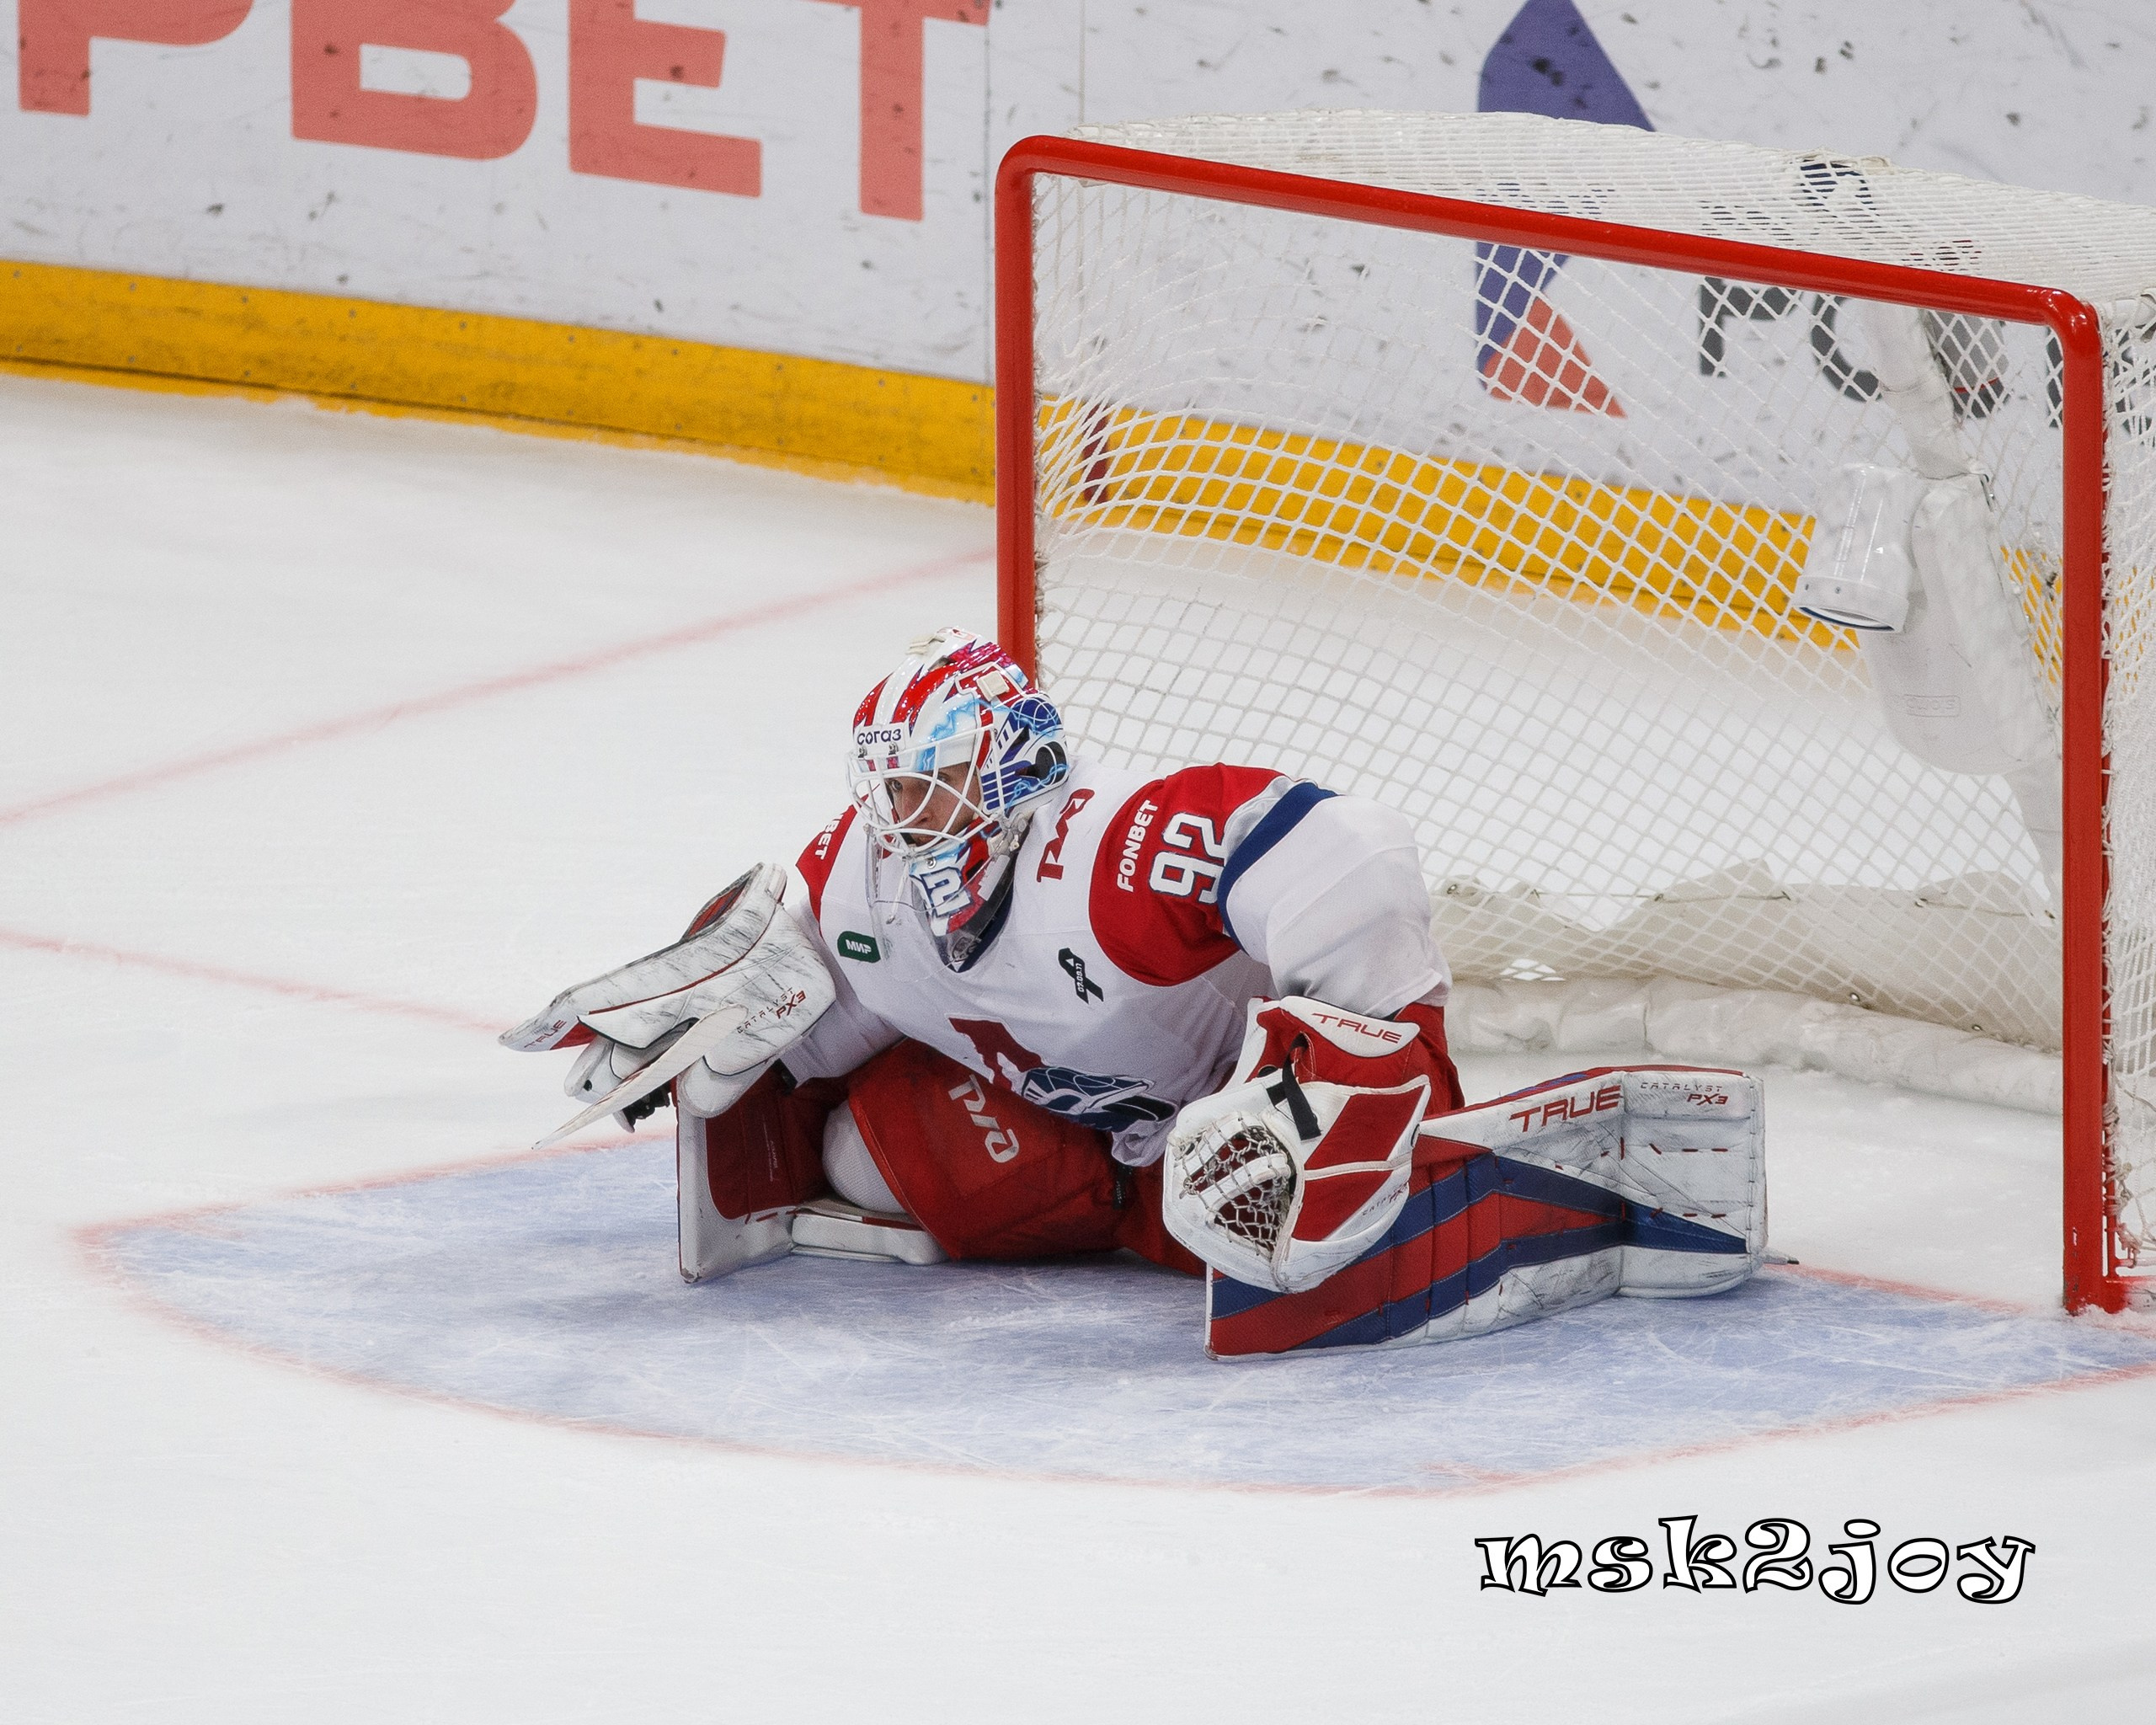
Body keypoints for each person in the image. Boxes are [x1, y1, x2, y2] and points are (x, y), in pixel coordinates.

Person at [505, 628, 1765, 1357]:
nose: (904, 829)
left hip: (1248, 1111)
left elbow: (1355, 850)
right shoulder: (859, 888)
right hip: (1109, 1142)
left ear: (1013, 776)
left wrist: (1363, 1050)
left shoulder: (1114, 848)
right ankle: (1137, 1212)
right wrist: (758, 1043)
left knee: (1258, 1182)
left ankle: (1412, 1166)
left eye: (932, 792)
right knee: (868, 1158)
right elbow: (838, 1021)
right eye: (888, 796)